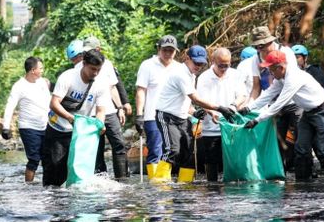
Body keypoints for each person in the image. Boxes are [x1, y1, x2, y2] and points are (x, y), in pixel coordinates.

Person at [240, 50, 324, 182]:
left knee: (322, 149)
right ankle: (303, 184)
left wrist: (257, 120)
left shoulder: (293, 77)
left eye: (271, 70)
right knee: (301, 149)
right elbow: (268, 94)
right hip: (308, 112)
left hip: (323, 111)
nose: (270, 74)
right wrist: (248, 108)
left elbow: (279, 103)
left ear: (280, 67)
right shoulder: (281, 78)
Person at [154, 45, 236, 183]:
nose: (198, 66)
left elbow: (186, 101)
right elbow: (196, 98)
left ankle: (185, 185)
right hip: (167, 116)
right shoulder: (180, 73)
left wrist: (196, 112)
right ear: (187, 58)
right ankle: (159, 186)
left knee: (189, 153)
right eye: (196, 63)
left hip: (182, 117)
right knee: (172, 150)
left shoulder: (191, 74)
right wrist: (220, 109)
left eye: (201, 64)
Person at [43, 49, 109, 186]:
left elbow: (101, 110)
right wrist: (70, 118)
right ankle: (50, 201)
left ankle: (71, 202)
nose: (95, 73)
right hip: (58, 129)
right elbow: (54, 103)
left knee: (77, 170)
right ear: (83, 64)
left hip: (79, 132)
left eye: (98, 70)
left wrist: (100, 123)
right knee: (54, 170)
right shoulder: (68, 77)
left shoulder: (100, 84)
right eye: (92, 69)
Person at [248, 26, 301, 171]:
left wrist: (262, 116)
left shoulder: (286, 53)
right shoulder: (255, 59)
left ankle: (303, 171)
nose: (261, 50)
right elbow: (256, 87)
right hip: (273, 104)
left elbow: (290, 83)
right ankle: (280, 172)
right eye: (257, 47)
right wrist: (248, 108)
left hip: (293, 102)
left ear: (271, 41)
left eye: (263, 45)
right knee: (278, 141)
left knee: (299, 138)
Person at [80, 36, 129, 178]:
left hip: (109, 111)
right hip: (91, 113)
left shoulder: (107, 65)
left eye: (90, 50)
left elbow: (113, 88)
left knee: (119, 144)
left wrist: (120, 107)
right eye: (85, 51)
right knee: (97, 149)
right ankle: (101, 179)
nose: (87, 54)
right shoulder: (81, 66)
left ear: (98, 49)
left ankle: (122, 178)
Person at [196, 48, 247, 181]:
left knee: (234, 159)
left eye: (227, 65)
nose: (224, 68)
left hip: (232, 126)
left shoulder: (236, 75)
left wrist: (233, 106)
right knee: (211, 160)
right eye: (221, 65)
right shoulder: (204, 78)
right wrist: (213, 113)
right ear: (213, 61)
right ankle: (212, 190)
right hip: (211, 128)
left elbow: (242, 95)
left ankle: (234, 189)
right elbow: (202, 101)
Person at [135, 35, 181, 179]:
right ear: (158, 49)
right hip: (152, 116)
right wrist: (139, 115)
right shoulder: (147, 65)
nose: (168, 54)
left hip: (174, 116)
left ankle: (166, 183)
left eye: (171, 51)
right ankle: (156, 188)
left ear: (176, 51)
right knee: (155, 151)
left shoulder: (179, 68)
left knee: (174, 151)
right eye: (165, 50)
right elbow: (141, 90)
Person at [2, 57, 51, 182]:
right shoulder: (19, 86)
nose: (42, 70)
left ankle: (48, 186)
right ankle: (28, 187)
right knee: (34, 159)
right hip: (28, 127)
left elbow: (49, 102)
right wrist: (5, 127)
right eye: (41, 68)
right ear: (33, 70)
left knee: (48, 158)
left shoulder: (42, 83)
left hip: (46, 125)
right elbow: (10, 106)